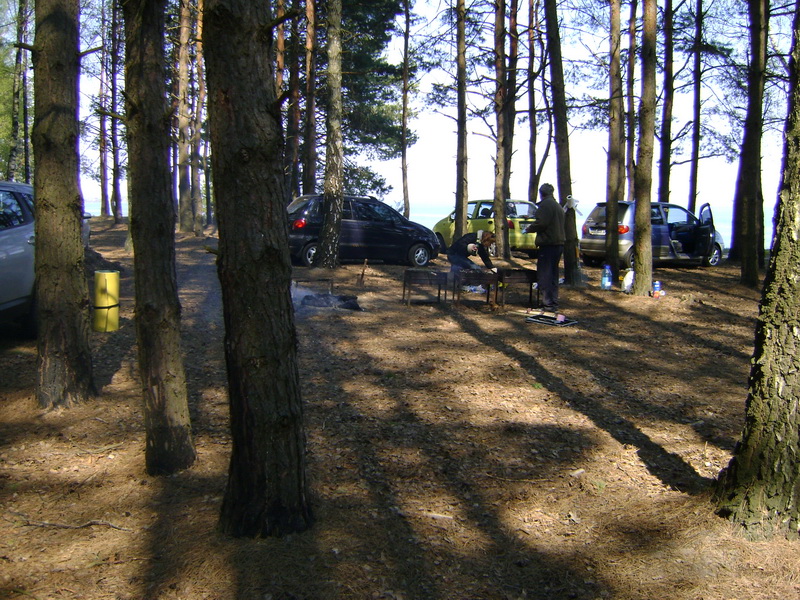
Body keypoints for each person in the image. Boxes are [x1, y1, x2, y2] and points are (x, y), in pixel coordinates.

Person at [525, 183, 565, 314]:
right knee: (553, 275)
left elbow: (542, 223)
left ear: (541, 193)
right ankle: (553, 302)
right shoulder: (557, 205)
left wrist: (529, 228)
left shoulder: (546, 205)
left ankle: (547, 304)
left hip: (548, 244)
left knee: (545, 275)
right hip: (558, 244)